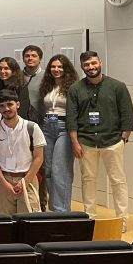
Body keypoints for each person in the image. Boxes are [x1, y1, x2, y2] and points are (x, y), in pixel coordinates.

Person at [67, 51, 133, 231]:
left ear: (100, 63)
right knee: (88, 180)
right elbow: (71, 118)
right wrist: (75, 142)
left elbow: (128, 114)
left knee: (118, 181)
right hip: (86, 142)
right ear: (82, 67)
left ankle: (122, 219)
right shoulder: (75, 89)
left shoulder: (117, 86)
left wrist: (123, 139)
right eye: (86, 65)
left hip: (113, 141)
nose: (91, 67)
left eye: (93, 63)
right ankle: (90, 218)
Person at [0, 89, 46, 215]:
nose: (6, 108)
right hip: (3, 179)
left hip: (27, 177)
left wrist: (25, 181)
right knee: (5, 221)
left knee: (29, 221)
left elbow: (39, 158)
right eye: (1, 106)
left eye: (10, 104)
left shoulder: (32, 127)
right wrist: (4, 183)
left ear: (17, 105)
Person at [38, 53, 77, 212]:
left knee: (60, 170)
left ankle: (62, 211)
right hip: (47, 127)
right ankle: (53, 209)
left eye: (60, 66)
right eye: (53, 66)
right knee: (48, 171)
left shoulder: (73, 87)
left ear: (66, 68)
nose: (56, 69)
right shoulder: (47, 85)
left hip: (64, 127)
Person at [0, 56, 33, 123]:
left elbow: (23, 110)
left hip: (17, 125)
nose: (2, 71)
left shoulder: (21, 87)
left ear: (14, 71)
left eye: (6, 68)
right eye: (0, 69)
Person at [22, 45, 45, 116]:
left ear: (40, 59)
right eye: (27, 56)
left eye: (34, 56)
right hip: (21, 119)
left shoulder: (47, 76)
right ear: (23, 59)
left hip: (41, 118)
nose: (30, 58)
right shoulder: (17, 76)